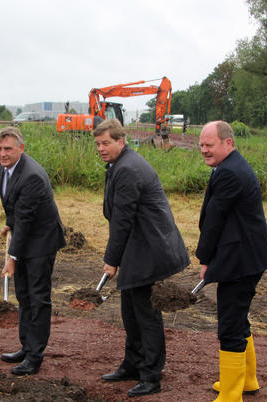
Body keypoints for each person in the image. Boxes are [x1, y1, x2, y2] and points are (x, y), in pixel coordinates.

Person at [93, 119, 190, 398]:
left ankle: (151, 376)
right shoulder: (119, 165)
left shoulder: (129, 169)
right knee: (130, 312)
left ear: (120, 141)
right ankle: (132, 365)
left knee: (146, 315)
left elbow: (122, 220)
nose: (101, 148)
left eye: (106, 143)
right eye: (98, 144)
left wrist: (111, 261)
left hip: (150, 248)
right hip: (138, 246)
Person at [196, 121, 267, 402]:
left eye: (210, 145)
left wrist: (204, 258)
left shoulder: (229, 172)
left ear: (228, 143)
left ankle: (230, 396)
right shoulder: (231, 166)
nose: (204, 150)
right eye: (202, 145)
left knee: (229, 325)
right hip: (247, 256)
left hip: (240, 260)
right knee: (238, 318)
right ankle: (248, 380)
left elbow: (214, 220)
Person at [0, 126, 66, 376]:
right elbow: (13, 204)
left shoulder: (32, 175)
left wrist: (12, 259)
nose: (3, 154)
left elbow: (25, 219)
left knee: (38, 298)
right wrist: (9, 223)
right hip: (25, 234)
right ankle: (26, 346)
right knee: (23, 295)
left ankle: (35, 356)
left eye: (8, 149)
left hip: (41, 242)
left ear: (21, 149)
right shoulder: (2, 168)